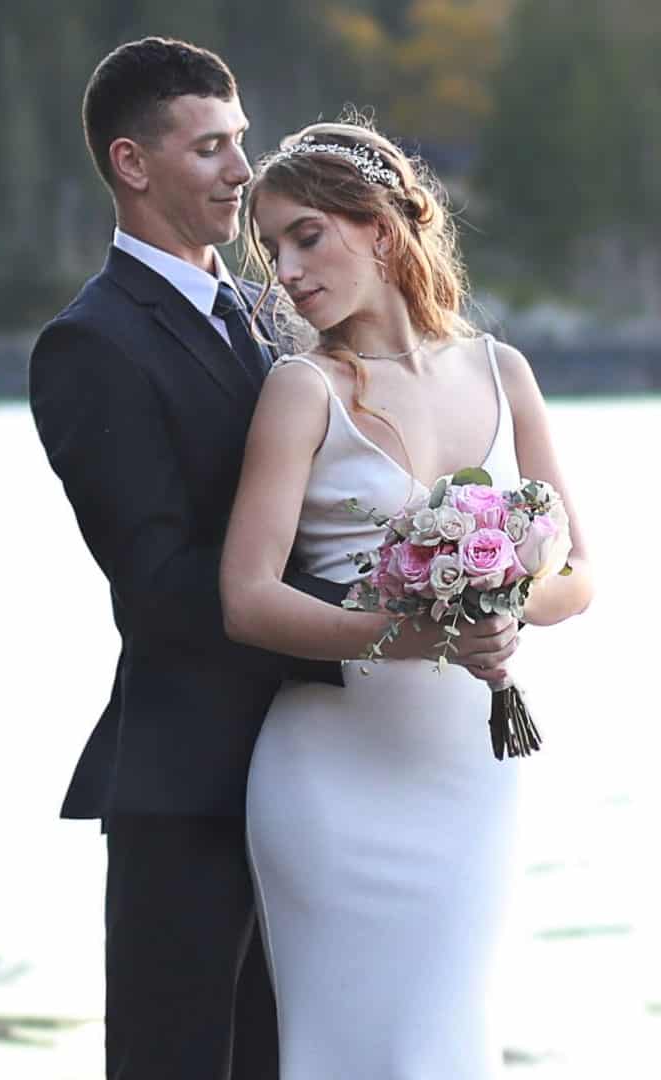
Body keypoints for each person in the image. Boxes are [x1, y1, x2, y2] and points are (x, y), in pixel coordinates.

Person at [28, 39, 403, 1080]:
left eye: (242, 141)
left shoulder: (269, 308)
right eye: (210, 149)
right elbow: (156, 585)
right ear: (132, 164)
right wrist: (381, 619)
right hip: (189, 784)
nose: (244, 169)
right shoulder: (91, 345)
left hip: (319, 780)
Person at [220, 121, 594, 1079]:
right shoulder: (302, 388)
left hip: (468, 772)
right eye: (271, 248)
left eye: (307, 236)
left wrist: (511, 609)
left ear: (381, 230)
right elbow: (247, 597)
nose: (287, 269)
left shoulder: (504, 372)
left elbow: (578, 574)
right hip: (329, 778)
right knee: (340, 1050)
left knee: (447, 1043)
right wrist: (404, 632)